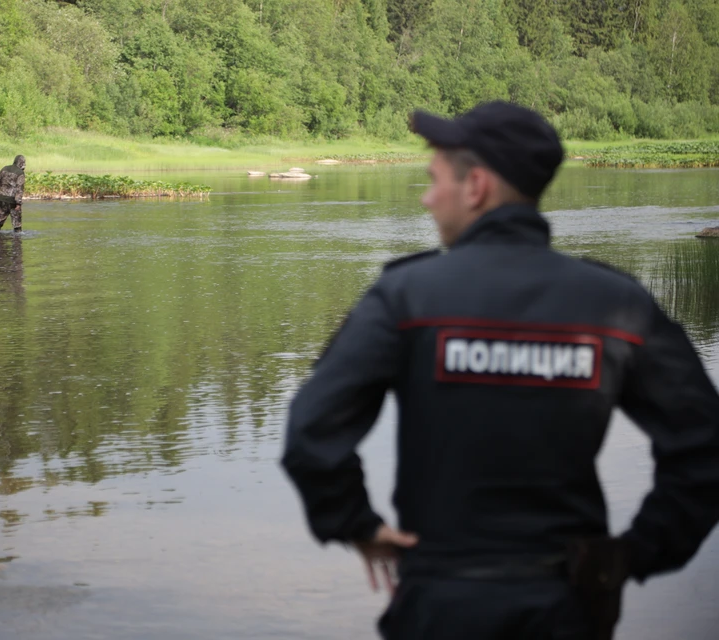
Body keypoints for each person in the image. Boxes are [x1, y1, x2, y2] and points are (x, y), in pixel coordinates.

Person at [281, 101, 719, 640]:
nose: (425, 198)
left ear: (477, 187)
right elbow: (704, 444)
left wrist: (356, 525)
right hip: (569, 607)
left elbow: (311, 431)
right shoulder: (616, 305)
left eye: (432, 180)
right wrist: (636, 554)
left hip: (439, 605)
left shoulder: (406, 297)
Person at [0, 155, 26, 232]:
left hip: (2, 199)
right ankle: (17, 242)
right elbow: (19, 189)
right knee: (17, 226)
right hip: (13, 202)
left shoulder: (4, 168)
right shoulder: (20, 173)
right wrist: (18, 203)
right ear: (22, 163)